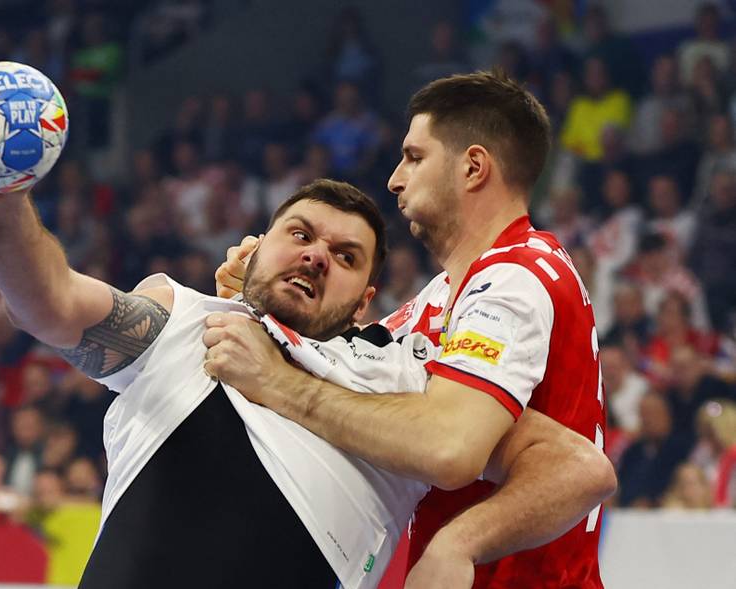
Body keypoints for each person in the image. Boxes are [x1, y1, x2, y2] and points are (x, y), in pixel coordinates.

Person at [0, 175, 612, 589]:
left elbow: (579, 469)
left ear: (365, 302)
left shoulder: (404, 377)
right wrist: (1, 202)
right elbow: (46, 302)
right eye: (300, 235)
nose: (316, 255)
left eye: (346, 256)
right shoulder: (185, 320)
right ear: (255, 248)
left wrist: (459, 543)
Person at [209, 70, 610, 588]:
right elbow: (352, 361)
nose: (395, 179)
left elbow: (449, 446)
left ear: (473, 168)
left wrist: (276, 382)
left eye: (414, 157)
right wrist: (261, 291)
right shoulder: (448, 292)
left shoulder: (515, 278)